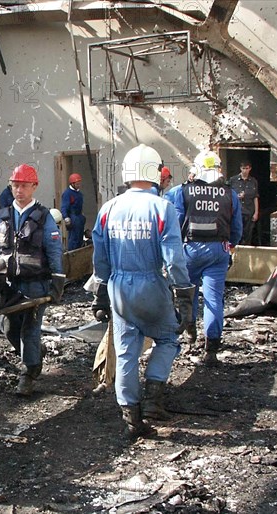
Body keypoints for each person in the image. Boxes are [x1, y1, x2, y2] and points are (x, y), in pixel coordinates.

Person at [92, 144, 194, 441]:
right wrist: (185, 296)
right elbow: (174, 259)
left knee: (126, 352)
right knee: (167, 338)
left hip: (119, 287)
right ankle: (153, 398)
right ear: (155, 173)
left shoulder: (108, 209)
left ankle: (131, 418)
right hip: (151, 284)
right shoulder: (163, 208)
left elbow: (100, 257)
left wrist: (102, 290)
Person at [0, 164, 64, 396]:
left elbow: (54, 250)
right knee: (6, 325)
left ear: (34, 187)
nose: (19, 190)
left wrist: (57, 282)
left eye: (23, 185)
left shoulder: (44, 217)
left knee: (29, 329)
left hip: (35, 284)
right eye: (15, 185)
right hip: (9, 284)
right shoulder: (3, 216)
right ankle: (33, 353)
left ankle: (29, 372)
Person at [172, 150, 243, 366]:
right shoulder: (229, 194)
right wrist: (229, 246)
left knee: (189, 293)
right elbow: (237, 228)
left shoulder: (184, 192)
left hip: (190, 250)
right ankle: (211, 350)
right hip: (218, 251)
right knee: (214, 299)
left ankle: (190, 330)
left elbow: (176, 224)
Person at [230, 161, 259, 245]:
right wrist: (236, 197)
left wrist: (256, 213)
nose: (245, 171)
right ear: (240, 169)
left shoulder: (253, 181)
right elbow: (227, 195)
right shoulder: (233, 180)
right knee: (236, 232)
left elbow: (255, 197)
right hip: (236, 211)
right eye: (243, 168)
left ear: (250, 169)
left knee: (248, 234)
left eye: (247, 168)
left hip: (249, 211)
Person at [60, 173, 86, 250]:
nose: (78, 185)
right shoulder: (67, 194)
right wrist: (66, 218)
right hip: (73, 218)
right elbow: (64, 207)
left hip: (79, 217)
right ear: (72, 184)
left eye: (79, 184)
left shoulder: (79, 194)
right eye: (77, 184)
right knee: (73, 239)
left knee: (80, 238)